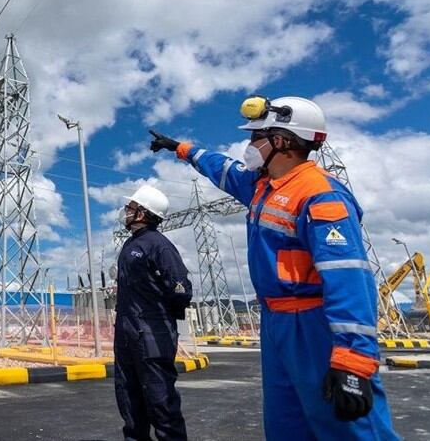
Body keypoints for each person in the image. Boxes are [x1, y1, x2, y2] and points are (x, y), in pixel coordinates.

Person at [149, 95, 398, 440]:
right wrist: (181, 148)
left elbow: (349, 278)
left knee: (348, 428)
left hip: (314, 326)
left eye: (256, 137)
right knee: (287, 426)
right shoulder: (261, 186)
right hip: (276, 322)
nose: (249, 145)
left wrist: (353, 360)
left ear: (281, 141)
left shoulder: (320, 195)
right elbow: (221, 168)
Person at [114, 185, 193, 441]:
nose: (125, 211)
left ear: (142, 214)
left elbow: (181, 289)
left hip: (151, 333)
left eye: (131, 207)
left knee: (161, 402)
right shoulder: (131, 243)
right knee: (129, 399)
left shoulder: (159, 246)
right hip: (127, 333)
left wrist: (160, 318)